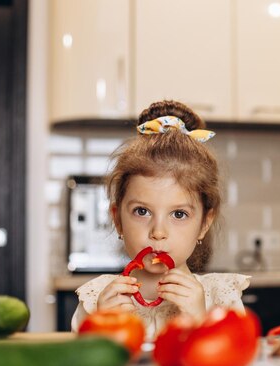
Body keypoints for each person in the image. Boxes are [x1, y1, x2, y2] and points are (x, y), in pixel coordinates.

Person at [71, 100, 249, 339]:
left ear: (204, 224)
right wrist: (100, 327)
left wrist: (199, 322)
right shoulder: (96, 299)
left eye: (179, 214)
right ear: (117, 219)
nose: (158, 231)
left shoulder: (221, 300)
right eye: (142, 211)